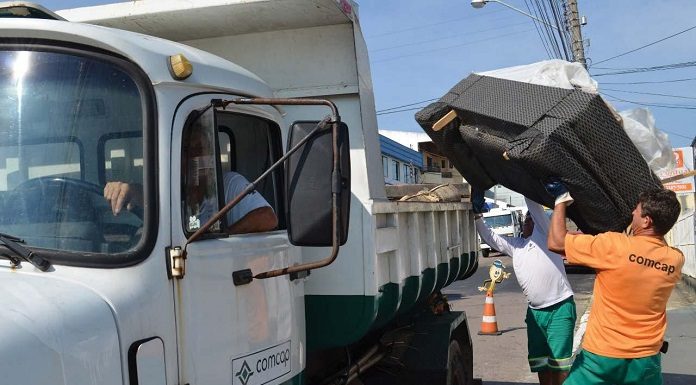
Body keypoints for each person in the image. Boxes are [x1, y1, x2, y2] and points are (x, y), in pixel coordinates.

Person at [547, 184, 684, 385]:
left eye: (636, 211)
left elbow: (556, 242)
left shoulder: (613, 245)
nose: (632, 213)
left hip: (602, 358)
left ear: (646, 221)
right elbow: (641, 256)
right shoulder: (675, 260)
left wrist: (560, 201)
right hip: (646, 360)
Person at [472, 189, 576, 385]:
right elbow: (490, 238)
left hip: (560, 309)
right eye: (526, 220)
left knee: (560, 365)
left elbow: (535, 210)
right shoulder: (516, 247)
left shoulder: (545, 236)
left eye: (531, 220)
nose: (528, 221)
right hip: (535, 313)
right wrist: (477, 216)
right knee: (541, 363)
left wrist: (522, 182)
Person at [104, 129, 277, 235]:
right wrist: (128, 189)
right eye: (186, 150)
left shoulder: (229, 183)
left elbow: (267, 218)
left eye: (199, 149)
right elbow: (147, 197)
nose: (193, 156)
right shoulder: (170, 187)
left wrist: (224, 235)